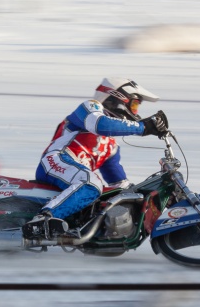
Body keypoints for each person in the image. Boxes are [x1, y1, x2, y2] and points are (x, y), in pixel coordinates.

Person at [22, 78, 169, 239]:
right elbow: (99, 124)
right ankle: (44, 219)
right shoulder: (89, 108)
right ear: (118, 98)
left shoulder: (110, 146)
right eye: (134, 105)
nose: (135, 111)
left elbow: (119, 184)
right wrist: (142, 127)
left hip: (73, 174)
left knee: (108, 193)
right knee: (92, 183)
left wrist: (147, 195)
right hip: (55, 160)